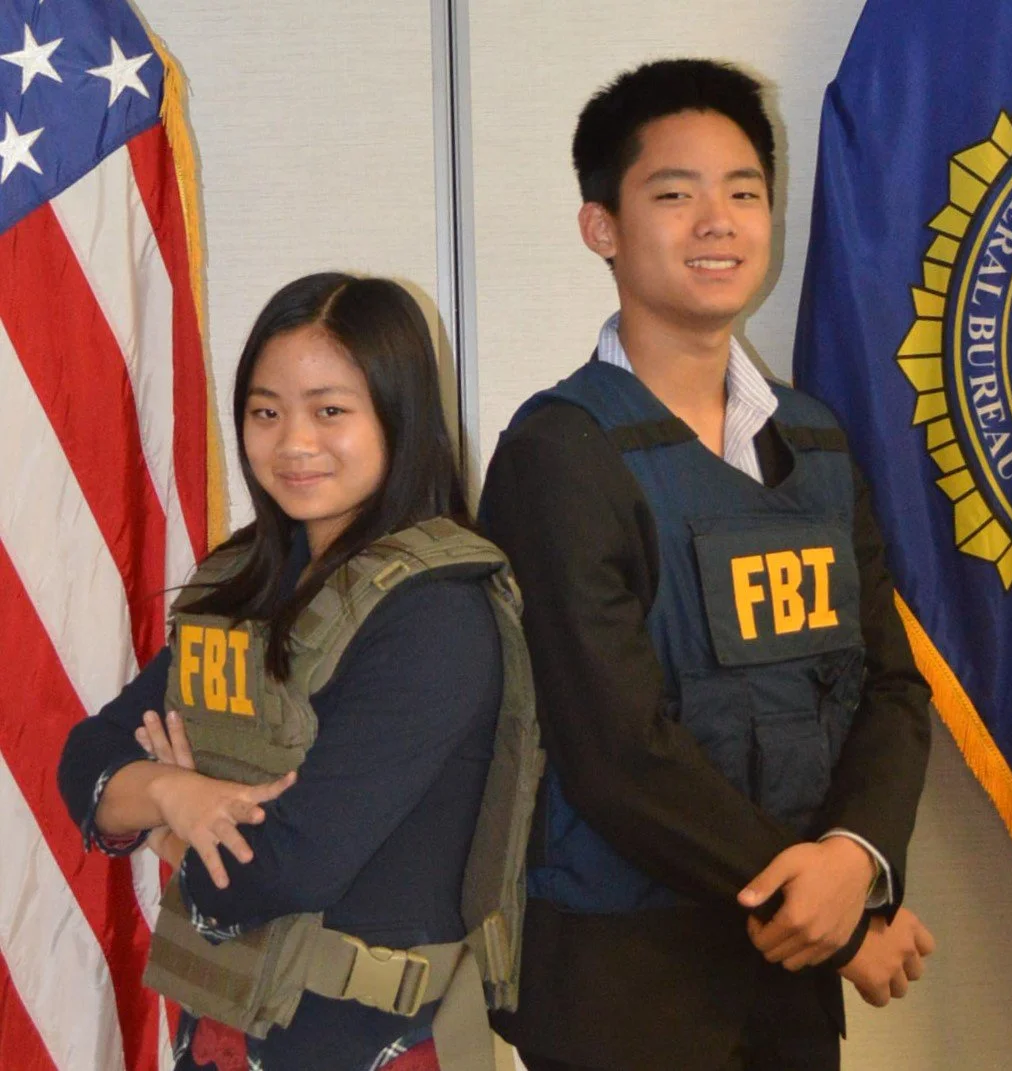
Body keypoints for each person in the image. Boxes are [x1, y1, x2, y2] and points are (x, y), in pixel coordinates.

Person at [480, 59, 935, 1071]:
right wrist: (832, 912)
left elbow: (890, 689)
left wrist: (852, 862)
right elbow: (613, 751)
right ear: (600, 226)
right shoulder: (559, 450)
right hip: (623, 980)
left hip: (786, 973)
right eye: (674, 195)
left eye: (742, 193)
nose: (716, 222)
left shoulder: (814, 441)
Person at [59, 273, 537, 1071]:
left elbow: (283, 864)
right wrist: (178, 792)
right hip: (220, 1033)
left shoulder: (434, 616)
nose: (293, 443)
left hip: (369, 1046)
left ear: (399, 413)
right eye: (265, 411)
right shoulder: (244, 584)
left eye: (330, 410)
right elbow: (85, 759)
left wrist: (166, 830)